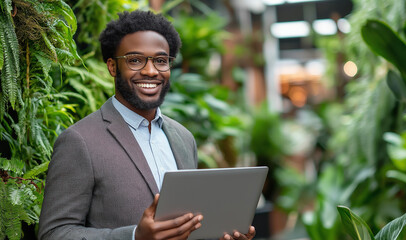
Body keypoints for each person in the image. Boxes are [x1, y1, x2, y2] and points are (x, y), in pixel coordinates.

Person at [38, 10, 256, 240]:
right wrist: (134, 237)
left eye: (161, 61)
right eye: (135, 60)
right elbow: (54, 233)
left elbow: (188, 225)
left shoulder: (184, 138)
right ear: (112, 67)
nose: (150, 71)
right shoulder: (79, 141)